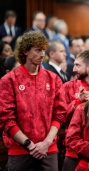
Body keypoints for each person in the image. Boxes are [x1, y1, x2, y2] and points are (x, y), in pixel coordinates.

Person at [0, 31, 66, 170]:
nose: (42, 54)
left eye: (43, 50)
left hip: (48, 150)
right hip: (19, 151)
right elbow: (6, 119)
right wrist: (29, 144)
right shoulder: (9, 80)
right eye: (37, 50)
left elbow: (60, 114)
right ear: (25, 51)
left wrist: (46, 143)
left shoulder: (53, 79)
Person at [62, 50, 89, 171]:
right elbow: (60, 116)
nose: (73, 69)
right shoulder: (68, 87)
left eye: (78, 65)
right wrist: (78, 102)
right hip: (73, 151)